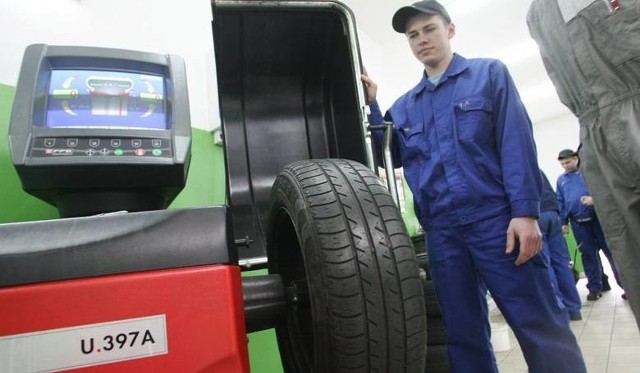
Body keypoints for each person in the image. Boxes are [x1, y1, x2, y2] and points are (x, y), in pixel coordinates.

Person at [360, 1, 586, 372]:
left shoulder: (489, 75)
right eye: (412, 35)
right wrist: (371, 105)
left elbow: (516, 144)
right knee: (463, 334)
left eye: (429, 29)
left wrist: (525, 213)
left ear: (450, 30)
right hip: (443, 233)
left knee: (539, 322)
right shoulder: (403, 108)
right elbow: (385, 154)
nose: (421, 40)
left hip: (498, 223)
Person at [527, 0, 640, 329]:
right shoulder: (538, 15)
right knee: (629, 258)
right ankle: (595, 286)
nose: (564, 164)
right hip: (596, 138)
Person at [556, 148, 623, 301]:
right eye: (563, 164)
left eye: (568, 162)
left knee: (611, 254)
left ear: (576, 158)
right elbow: (560, 202)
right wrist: (563, 222)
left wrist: (594, 200)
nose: (565, 166)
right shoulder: (561, 180)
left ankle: (625, 286)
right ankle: (595, 288)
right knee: (588, 256)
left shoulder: (588, 173)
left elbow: (604, 191)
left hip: (598, 220)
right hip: (578, 224)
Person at [539, 169, 583, 320]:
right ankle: (574, 309)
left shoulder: (509, 167)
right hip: (552, 215)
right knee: (562, 263)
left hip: (535, 217)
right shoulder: (533, 165)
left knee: (546, 265)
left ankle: (560, 311)